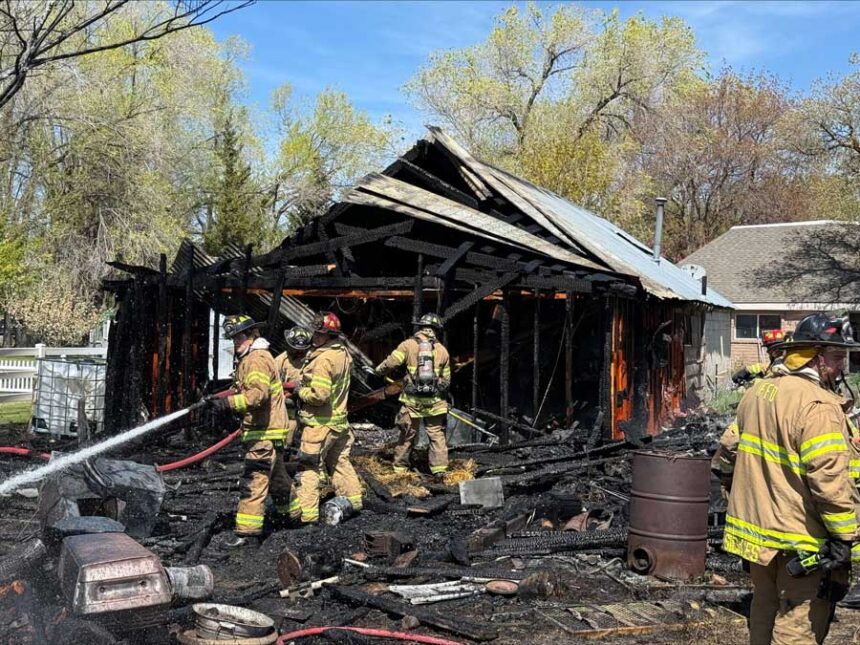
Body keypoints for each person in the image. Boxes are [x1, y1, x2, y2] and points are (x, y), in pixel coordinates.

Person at [724, 312, 860, 644]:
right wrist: (845, 538)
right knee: (796, 624)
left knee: (764, 609)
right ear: (816, 357)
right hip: (802, 541)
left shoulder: (758, 392)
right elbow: (828, 480)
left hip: (761, 539)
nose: (842, 366)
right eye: (837, 357)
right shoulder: (819, 407)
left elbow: (727, 454)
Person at [207, 315, 292, 548]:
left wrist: (229, 404)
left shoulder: (256, 360)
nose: (235, 341)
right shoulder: (252, 358)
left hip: (262, 433)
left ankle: (248, 534)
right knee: (277, 480)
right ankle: (292, 516)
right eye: (233, 338)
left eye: (239, 336)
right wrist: (217, 398)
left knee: (253, 481)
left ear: (252, 335)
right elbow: (242, 388)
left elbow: (257, 396)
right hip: (269, 431)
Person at [293, 311, 362, 523]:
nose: (313, 337)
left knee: (309, 467)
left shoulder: (323, 360)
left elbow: (320, 395)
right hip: (339, 423)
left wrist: (300, 391)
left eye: (317, 334)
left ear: (327, 336)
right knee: (340, 463)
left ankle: (307, 516)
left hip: (319, 425)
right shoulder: (343, 354)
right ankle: (354, 502)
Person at [375, 312, 451, 477]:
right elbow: (446, 381)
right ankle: (440, 471)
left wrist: (378, 371)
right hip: (435, 404)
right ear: (436, 330)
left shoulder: (408, 345)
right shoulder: (442, 350)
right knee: (437, 435)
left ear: (420, 327)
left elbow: (391, 362)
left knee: (406, 435)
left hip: (412, 402)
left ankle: (400, 470)